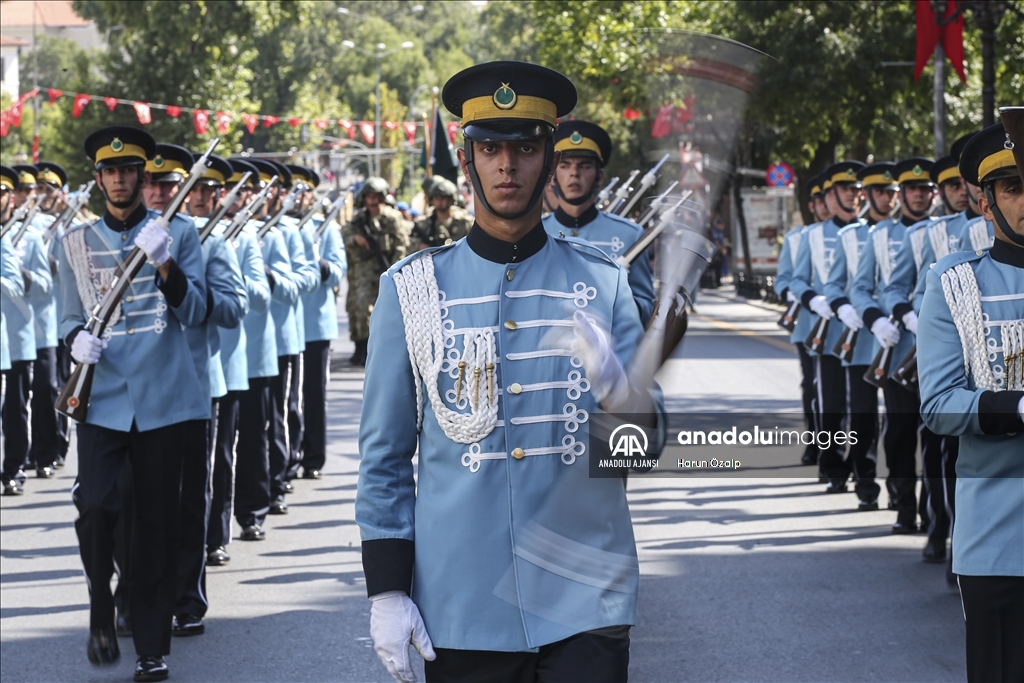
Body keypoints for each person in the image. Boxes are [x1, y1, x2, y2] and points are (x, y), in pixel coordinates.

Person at [356, 60, 663, 683]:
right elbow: (385, 455)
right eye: (489, 149)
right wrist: (386, 588)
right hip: (461, 601)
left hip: (585, 597)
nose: (507, 166)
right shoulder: (411, 290)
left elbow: (644, 446)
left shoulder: (602, 284)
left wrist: (614, 383)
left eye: (525, 148)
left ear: (549, 159)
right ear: (465, 162)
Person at [59, 125, 208, 681]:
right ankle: (103, 603)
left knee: (154, 525)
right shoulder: (74, 243)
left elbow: (195, 314)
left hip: (165, 401)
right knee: (96, 508)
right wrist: (74, 340)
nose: (121, 180)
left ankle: (151, 645)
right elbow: (68, 316)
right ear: (98, 179)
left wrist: (165, 264)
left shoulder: (179, 235)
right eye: (111, 171)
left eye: (130, 172)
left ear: (143, 179)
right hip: (101, 401)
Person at [918, 119, 1023, 683]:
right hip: (999, 533)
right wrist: (1018, 408)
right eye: (1013, 187)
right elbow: (937, 404)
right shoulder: (954, 284)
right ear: (986, 204)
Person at [848, 161, 925, 533]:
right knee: (899, 431)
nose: (918, 195)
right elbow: (861, 286)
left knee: (938, 434)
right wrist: (875, 319)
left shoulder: (940, 231)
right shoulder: (880, 236)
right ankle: (904, 503)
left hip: (939, 347)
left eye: (925, 189)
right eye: (911, 189)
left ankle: (933, 511)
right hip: (896, 348)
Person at [790, 160, 871, 499]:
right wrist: (813, 299)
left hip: (865, 333)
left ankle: (864, 470)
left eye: (856, 190)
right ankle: (833, 465)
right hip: (827, 331)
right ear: (832, 194)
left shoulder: (871, 232)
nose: (852, 196)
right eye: (845, 190)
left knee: (865, 408)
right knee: (832, 402)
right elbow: (795, 279)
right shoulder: (811, 235)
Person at [541, 119, 655, 324]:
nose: (574, 173)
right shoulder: (534, 231)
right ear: (553, 176)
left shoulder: (630, 235)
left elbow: (646, 307)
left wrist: (618, 304)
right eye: (565, 166)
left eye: (584, 166)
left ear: (599, 177)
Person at [774, 172, 830, 467]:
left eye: (827, 199)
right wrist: (792, 295)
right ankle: (815, 440)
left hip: (843, 322)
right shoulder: (798, 238)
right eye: (818, 200)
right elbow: (783, 279)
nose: (823, 206)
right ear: (811, 205)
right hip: (808, 322)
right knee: (813, 385)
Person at [1, 165, 50, 494]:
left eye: (3, 192)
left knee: (16, 408)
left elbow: (45, 285)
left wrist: (23, 274)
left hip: (18, 334)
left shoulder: (25, 235)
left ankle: (14, 468)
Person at [296, 168, 346, 479]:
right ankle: (288, 454)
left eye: (302, 192)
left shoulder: (324, 227)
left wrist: (319, 262)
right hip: (284, 326)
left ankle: (312, 458)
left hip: (315, 324)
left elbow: (338, 270)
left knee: (313, 395)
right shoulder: (280, 229)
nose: (298, 198)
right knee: (286, 400)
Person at [342, 177, 408, 366]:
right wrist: (355, 238)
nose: (372, 199)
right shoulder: (359, 218)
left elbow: (400, 245)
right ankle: (361, 347)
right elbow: (345, 232)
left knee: (387, 312)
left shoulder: (392, 217)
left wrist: (395, 269)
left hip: (385, 270)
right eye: (369, 196)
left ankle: (383, 350)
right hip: (363, 271)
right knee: (361, 310)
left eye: (376, 196)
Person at [412, 177, 474, 249]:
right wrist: (420, 246)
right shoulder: (424, 223)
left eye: (443, 198)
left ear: (451, 200)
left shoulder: (465, 221)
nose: (439, 201)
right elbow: (411, 242)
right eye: (436, 198)